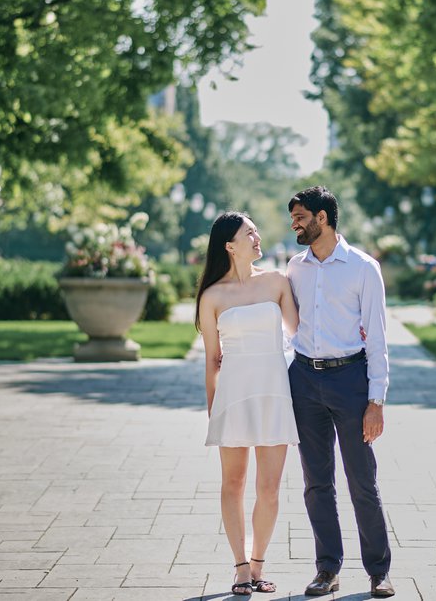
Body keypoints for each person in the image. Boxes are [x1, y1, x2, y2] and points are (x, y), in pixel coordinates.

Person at [286, 186, 395, 598]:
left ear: (322, 218)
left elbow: (379, 340)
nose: (294, 224)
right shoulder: (295, 268)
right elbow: (288, 326)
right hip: (304, 380)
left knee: (361, 480)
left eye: (300, 217)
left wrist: (376, 400)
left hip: (350, 380)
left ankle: (379, 572)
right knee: (316, 483)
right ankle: (327, 569)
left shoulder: (364, 268)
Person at [196, 211, 300, 596]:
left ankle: (258, 565)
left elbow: (301, 333)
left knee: (269, 488)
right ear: (229, 245)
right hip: (233, 396)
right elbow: (211, 359)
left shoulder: (277, 282)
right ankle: (240, 567)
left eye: (257, 231)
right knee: (233, 483)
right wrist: (213, 409)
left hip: (274, 392)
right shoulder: (212, 296)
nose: (258, 238)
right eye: (249, 233)